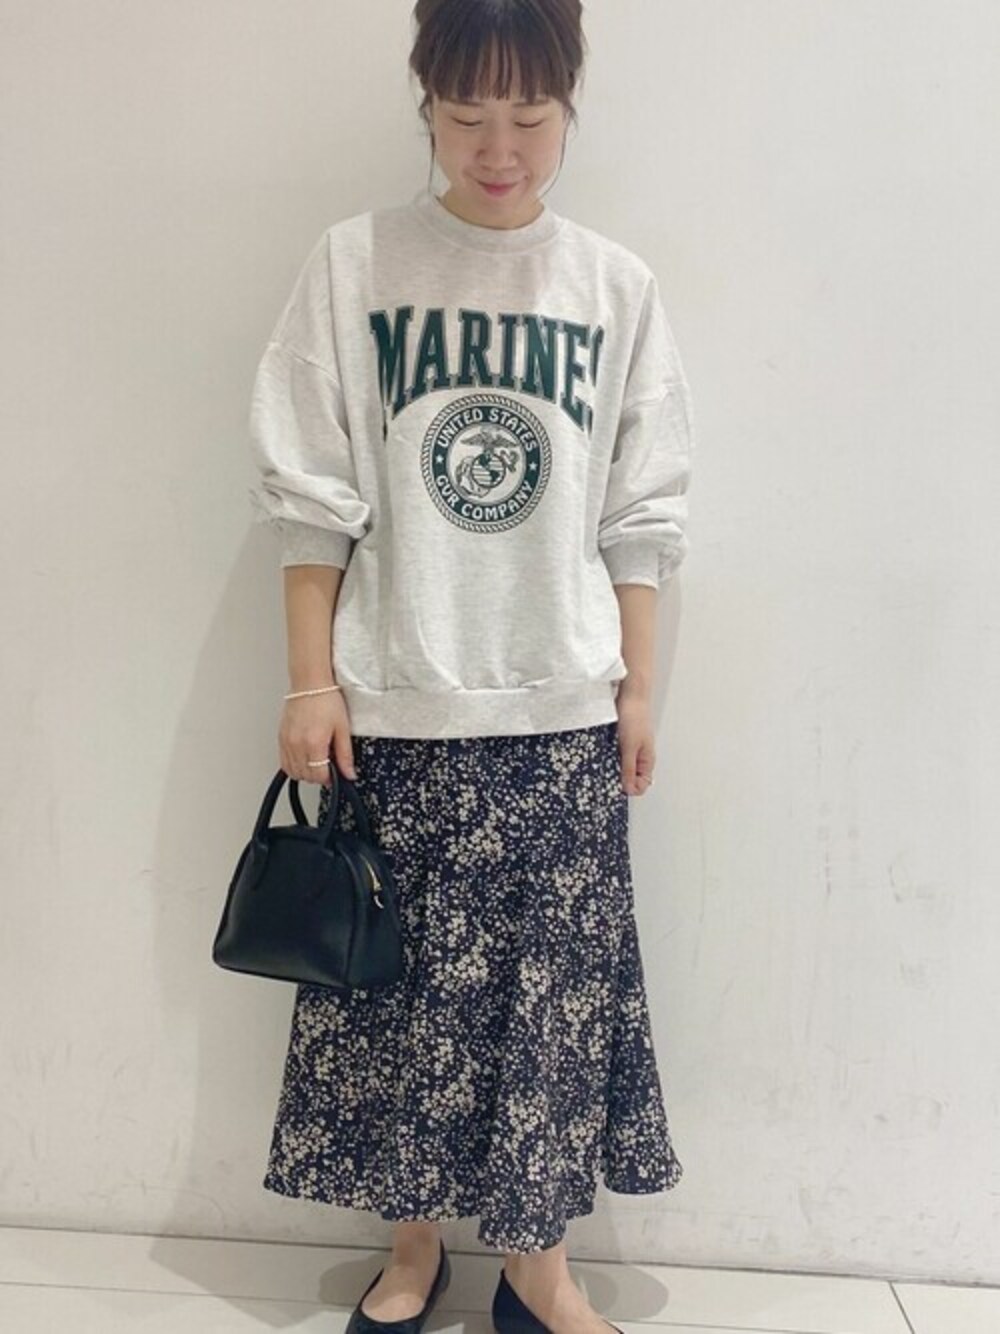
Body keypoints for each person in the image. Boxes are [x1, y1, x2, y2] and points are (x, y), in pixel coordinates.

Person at [246, 3, 695, 1330]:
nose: (499, 149)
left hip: (561, 705)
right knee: (402, 999)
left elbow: (643, 514)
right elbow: (311, 495)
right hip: (401, 702)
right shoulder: (357, 264)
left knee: (552, 1007)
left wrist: (640, 690)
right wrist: (310, 682)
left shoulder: (612, 288)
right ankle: (413, 1251)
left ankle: (538, 1270)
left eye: (530, 118)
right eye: (466, 117)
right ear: (426, 106)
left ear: (569, 106)